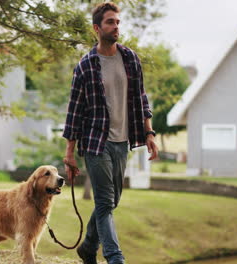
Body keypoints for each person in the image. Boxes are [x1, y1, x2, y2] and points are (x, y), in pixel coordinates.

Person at [62, 2, 159, 264]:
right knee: (105, 201)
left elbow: (141, 98)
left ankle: (88, 247)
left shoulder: (130, 58)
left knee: (112, 200)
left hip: (122, 140)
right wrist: (69, 153)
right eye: (110, 22)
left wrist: (149, 134)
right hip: (95, 143)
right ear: (97, 28)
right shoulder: (85, 66)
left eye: (118, 22)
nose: (116, 26)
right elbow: (75, 111)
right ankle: (115, 258)